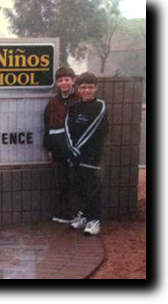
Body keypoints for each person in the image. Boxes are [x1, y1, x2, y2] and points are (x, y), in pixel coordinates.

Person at [65, 72, 109, 236]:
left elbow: (96, 130)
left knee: (93, 188)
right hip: (76, 156)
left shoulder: (100, 106)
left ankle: (94, 220)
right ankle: (84, 216)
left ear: (96, 88)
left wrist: (78, 149)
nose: (87, 90)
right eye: (83, 87)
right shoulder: (74, 108)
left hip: (93, 157)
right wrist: (72, 150)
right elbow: (67, 130)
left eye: (90, 87)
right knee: (80, 188)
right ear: (78, 88)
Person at [43, 66, 80, 224]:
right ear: (57, 83)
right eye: (61, 80)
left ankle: (79, 213)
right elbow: (47, 125)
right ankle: (64, 214)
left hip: (75, 147)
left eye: (67, 79)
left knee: (76, 181)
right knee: (62, 181)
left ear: (73, 80)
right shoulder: (53, 102)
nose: (64, 83)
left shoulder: (79, 99)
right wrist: (49, 148)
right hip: (58, 148)